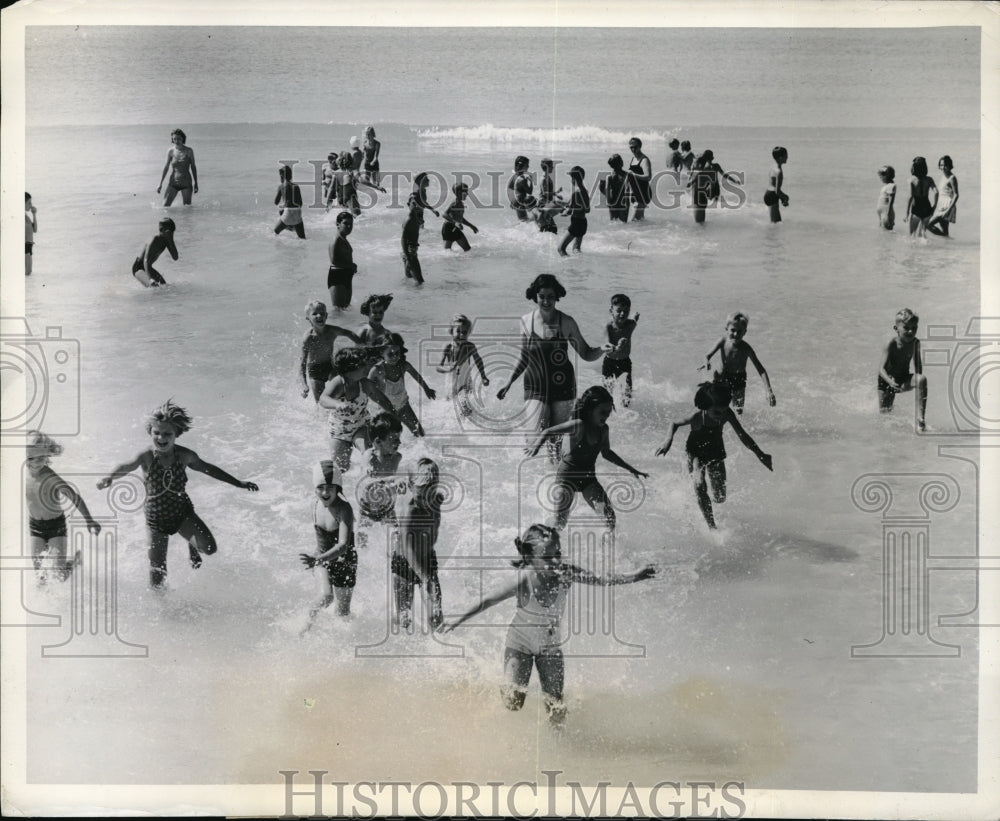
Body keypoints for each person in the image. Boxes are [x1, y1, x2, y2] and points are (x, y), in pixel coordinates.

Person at [440, 523, 655, 725]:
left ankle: (561, 747)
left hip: (550, 646)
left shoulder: (566, 574)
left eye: (558, 554)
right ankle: (501, 686)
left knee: (556, 708)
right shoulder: (523, 579)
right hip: (520, 643)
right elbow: (488, 599)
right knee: (513, 702)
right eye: (547, 556)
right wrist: (457, 619)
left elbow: (600, 579)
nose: (555, 561)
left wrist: (634, 577)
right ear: (530, 557)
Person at [97, 401, 258, 588]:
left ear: (177, 435)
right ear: (150, 432)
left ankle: (191, 545)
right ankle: (162, 608)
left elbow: (208, 469)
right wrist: (109, 478)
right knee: (157, 570)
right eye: (156, 432)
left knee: (209, 548)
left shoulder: (185, 456)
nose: (161, 437)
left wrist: (238, 483)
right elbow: (125, 466)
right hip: (156, 518)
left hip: (182, 512)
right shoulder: (146, 457)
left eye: (167, 434)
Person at [496, 274, 613, 462]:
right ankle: (529, 478)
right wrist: (509, 382)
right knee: (533, 435)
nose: (546, 301)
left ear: (557, 296)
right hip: (535, 385)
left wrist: (602, 350)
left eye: (551, 296)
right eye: (542, 296)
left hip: (563, 386)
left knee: (555, 441)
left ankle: (554, 478)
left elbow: (586, 353)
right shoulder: (526, 321)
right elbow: (524, 356)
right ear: (535, 296)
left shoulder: (566, 322)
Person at [527, 386, 648, 532]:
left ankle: (610, 548)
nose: (606, 416)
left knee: (609, 517)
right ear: (590, 410)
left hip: (588, 480)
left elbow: (607, 453)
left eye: (609, 412)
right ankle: (540, 536)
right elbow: (548, 431)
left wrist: (631, 469)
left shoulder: (604, 430)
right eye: (602, 412)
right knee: (559, 524)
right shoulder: (578, 425)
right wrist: (536, 446)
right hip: (567, 479)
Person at [655, 381, 773, 530]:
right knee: (699, 485)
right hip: (696, 451)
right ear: (706, 407)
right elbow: (674, 423)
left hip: (715, 450)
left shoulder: (726, 414)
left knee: (720, 497)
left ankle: (705, 504)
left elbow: (742, 435)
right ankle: (712, 527)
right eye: (717, 412)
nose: (721, 415)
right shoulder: (697, 416)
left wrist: (760, 454)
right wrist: (668, 440)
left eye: (723, 411)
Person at [25, 431, 101, 584]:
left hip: (55, 527)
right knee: (40, 577)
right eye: (31, 458)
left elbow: (74, 497)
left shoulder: (50, 477)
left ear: (47, 455)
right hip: (35, 527)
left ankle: (74, 562)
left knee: (59, 577)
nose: (36, 462)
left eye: (41, 458)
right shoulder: (22, 473)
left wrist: (89, 520)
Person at [320, 346, 397, 474]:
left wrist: (393, 415)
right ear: (348, 370)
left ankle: (372, 478)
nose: (366, 367)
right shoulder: (339, 383)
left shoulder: (364, 384)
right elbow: (323, 399)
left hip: (361, 424)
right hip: (339, 431)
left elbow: (381, 399)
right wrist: (337, 404)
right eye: (361, 366)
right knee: (341, 469)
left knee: (368, 452)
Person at [299, 460, 357, 631]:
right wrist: (317, 558)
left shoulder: (344, 509)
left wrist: (317, 559)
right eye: (320, 487)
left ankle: (340, 644)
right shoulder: (315, 504)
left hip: (345, 562)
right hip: (322, 559)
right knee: (326, 596)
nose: (325, 492)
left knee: (342, 614)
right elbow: (322, 539)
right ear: (315, 488)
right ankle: (304, 628)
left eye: (330, 488)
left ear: (338, 488)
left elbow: (343, 545)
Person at [391, 458, 445, 631]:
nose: (425, 501)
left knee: (436, 615)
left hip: (428, 558)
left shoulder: (436, 499)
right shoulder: (410, 511)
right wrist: (423, 576)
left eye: (431, 493)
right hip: (405, 562)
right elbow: (407, 549)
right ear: (411, 487)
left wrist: (426, 575)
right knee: (404, 619)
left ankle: (437, 648)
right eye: (421, 496)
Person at [701, 311, 776, 414]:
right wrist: (706, 362)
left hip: (738, 380)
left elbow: (761, 370)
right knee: (717, 406)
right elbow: (707, 355)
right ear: (726, 329)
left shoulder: (746, 349)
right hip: (721, 378)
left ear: (745, 332)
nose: (736, 334)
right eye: (733, 330)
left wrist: (769, 391)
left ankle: (734, 427)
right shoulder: (722, 341)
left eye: (740, 331)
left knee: (738, 411)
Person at [368, 332, 436, 437]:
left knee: (420, 433)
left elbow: (417, 376)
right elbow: (367, 388)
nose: (395, 356)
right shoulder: (377, 370)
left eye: (397, 353)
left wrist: (427, 389)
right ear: (382, 353)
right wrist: (377, 402)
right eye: (390, 354)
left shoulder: (403, 366)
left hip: (404, 406)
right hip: (386, 411)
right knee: (390, 438)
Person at [356, 412, 404, 547]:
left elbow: (397, 482)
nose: (399, 442)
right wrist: (394, 479)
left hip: (388, 507)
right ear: (378, 442)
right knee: (361, 542)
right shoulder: (369, 457)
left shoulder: (397, 458)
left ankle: (396, 562)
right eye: (394, 439)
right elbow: (366, 482)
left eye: (399, 438)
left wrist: (402, 485)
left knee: (397, 539)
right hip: (368, 508)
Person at [300, 300, 362, 402]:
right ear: (308, 318)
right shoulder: (308, 338)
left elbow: (349, 333)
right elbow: (302, 363)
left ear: (326, 315)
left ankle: (345, 411)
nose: (319, 315)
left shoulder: (332, 331)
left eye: (322, 313)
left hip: (330, 367)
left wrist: (361, 345)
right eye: (314, 314)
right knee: (321, 403)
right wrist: (304, 384)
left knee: (343, 392)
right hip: (315, 372)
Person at [877, 308, 927, 430]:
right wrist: (890, 382)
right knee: (885, 416)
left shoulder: (916, 343)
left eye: (914, 328)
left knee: (922, 379)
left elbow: (918, 366)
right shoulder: (891, 343)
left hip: (903, 378)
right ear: (896, 329)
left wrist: (918, 382)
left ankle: (920, 418)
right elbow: (881, 369)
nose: (911, 331)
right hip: (886, 382)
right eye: (906, 328)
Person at [438, 313, 490, 418]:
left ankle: (469, 426)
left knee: (466, 408)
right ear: (451, 331)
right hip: (451, 382)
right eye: (458, 331)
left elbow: (478, 361)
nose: (461, 335)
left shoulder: (470, 347)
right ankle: (451, 427)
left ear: (468, 333)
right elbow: (439, 367)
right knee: (449, 408)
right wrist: (448, 368)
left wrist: (483, 376)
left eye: (465, 332)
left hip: (466, 382)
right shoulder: (448, 347)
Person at [401, 173, 439, 284]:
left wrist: (432, 210)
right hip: (411, 248)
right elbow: (415, 203)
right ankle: (406, 258)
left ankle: (407, 290)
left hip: (413, 241)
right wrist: (408, 255)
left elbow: (423, 202)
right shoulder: (414, 196)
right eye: (426, 179)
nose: (429, 180)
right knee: (420, 281)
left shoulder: (422, 192)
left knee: (408, 277)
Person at [602, 294, 639, 407]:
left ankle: (626, 415)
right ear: (611, 311)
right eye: (619, 310)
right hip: (610, 363)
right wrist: (617, 347)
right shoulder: (609, 327)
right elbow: (606, 347)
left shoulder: (631, 324)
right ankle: (609, 414)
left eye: (626, 311)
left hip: (625, 362)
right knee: (607, 394)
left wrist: (635, 317)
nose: (623, 314)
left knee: (627, 394)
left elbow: (634, 320)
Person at [156, 128, 198, 206]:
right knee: (165, 207)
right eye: (174, 139)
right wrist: (160, 183)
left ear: (183, 138)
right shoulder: (171, 151)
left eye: (179, 139)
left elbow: (193, 167)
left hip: (186, 184)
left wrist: (196, 183)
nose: (176, 141)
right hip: (173, 183)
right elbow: (166, 167)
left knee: (187, 210)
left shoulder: (189, 151)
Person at [131, 218, 178, 287]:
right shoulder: (154, 240)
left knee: (164, 286)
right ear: (161, 230)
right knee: (154, 287)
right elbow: (146, 262)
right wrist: (150, 279)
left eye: (172, 232)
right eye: (168, 232)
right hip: (138, 268)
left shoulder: (167, 241)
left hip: (147, 267)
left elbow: (175, 257)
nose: (170, 235)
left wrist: (171, 241)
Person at [327, 211, 358, 310]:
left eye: (351, 224)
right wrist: (351, 266)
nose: (349, 226)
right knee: (338, 311)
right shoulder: (336, 240)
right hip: (338, 276)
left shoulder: (343, 239)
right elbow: (334, 261)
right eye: (345, 223)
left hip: (346, 276)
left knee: (346, 309)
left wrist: (352, 267)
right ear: (338, 224)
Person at [558, 166, 590, 256]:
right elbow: (587, 210)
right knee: (576, 249)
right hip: (583, 222)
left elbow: (569, 210)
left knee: (560, 249)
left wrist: (563, 213)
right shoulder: (585, 191)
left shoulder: (575, 192)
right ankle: (579, 266)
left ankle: (569, 266)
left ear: (574, 178)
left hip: (576, 223)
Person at [905, 156, 938, 239]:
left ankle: (914, 251)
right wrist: (934, 207)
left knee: (912, 235)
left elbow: (910, 196)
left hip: (916, 209)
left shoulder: (911, 180)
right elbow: (936, 192)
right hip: (927, 208)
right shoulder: (929, 179)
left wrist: (907, 213)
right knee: (923, 234)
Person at [927, 156, 959, 238]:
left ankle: (946, 240)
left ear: (949, 165)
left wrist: (948, 210)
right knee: (945, 230)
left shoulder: (952, 178)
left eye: (945, 165)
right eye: (941, 165)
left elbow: (956, 195)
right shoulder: (943, 176)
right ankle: (947, 245)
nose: (943, 167)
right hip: (941, 204)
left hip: (947, 206)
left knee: (928, 224)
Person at [442, 182, 478, 252]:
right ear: (459, 192)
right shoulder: (455, 203)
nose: (467, 194)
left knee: (466, 249)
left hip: (454, 228)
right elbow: (444, 214)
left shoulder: (460, 203)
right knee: (448, 252)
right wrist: (456, 223)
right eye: (465, 192)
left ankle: (458, 262)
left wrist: (471, 226)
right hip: (449, 228)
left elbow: (460, 218)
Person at [273, 165, 305, 239]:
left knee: (275, 232)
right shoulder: (296, 186)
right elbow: (300, 203)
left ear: (281, 176)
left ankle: (289, 226)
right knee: (302, 238)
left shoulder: (281, 186)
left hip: (288, 213)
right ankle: (292, 226)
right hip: (298, 213)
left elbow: (276, 202)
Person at [598, 154, 630, 223]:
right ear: (621, 163)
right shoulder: (626, 175)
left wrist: (609, 205)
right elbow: (627, 191)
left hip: (613, 204)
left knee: (613, 223)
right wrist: (628, 206)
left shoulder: (609, 177)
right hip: (623, 204)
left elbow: (607, 191)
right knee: (624, 225)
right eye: (621, 160)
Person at [535, 158, 564, 234]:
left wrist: (556, 194)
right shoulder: (544, 179)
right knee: (549, 228)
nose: (553, 168)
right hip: (543, 204)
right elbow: (545, 193)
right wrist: (556, 193)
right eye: (551, 166)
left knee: (550, 228)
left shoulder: (547, 177)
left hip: (546, 203)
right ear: (547, 167)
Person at [626, 137, 653, 221]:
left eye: (635, 147)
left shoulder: (644, 160)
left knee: (633, 221)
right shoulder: (633, 159)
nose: (633, 149)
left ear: (640, 146)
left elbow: (648, 177)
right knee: (640, 220)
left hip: (643, 193)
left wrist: (633, 175)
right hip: (635, 192)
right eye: (631, 147)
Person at [507, 155, 537, 222]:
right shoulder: (522, 179)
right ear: (522, 166)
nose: (528, 167)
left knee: (523, 220)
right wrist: (531, 181)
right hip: (521, 201)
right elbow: (529, 192)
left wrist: (512, 200)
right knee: (528, 219)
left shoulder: (515, 176)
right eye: (527, 165)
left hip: (517, 201)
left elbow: (510, 187)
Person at [764, 146, 789, 223]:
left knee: (774, 223)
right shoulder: (779, 171)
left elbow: (773, 185)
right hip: (772, 196)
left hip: (769, 194)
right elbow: (777, 191)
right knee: (776, 224)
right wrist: (785, 197)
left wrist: (781, 198)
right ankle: (770, 235)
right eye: (786, 155)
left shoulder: (773, 167)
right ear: (781, 158)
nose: (787, 157)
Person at [876, 166, 897, 231]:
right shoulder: (886, 186)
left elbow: (891, 201)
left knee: (887, 231)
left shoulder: (891, 186)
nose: (880, 178)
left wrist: (888, 214)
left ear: (886, 176)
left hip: (886, 213)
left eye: (881, 176)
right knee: (883, 232)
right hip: (883, 213)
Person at [25, 192, 37, 276]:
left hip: (29, 245)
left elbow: (35, 230)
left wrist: (34, 215)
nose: (31, 205)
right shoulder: (18, 216)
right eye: (29, 203)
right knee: (27, 272)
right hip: (25, 245)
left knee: (28, 272)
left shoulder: (27, 217)